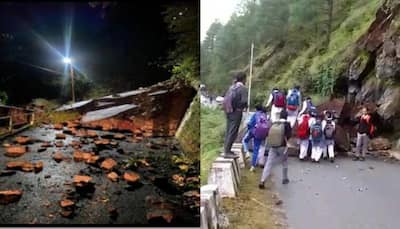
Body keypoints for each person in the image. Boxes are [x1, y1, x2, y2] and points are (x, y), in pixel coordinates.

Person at [259, 110, 291, 189]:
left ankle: (263, 180)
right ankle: (285, 178)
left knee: (269, 163)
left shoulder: (275, 123)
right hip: (282, 146)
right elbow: (289, 135)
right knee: (284, 162)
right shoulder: (287, 124)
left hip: (273, 146)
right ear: (287, 116)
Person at [222, 72, 248, 158]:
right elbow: (244, 101)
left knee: (229, 130)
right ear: (244, 79)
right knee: (233, 131)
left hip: (228, 111)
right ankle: (227, 152)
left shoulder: (232, 87)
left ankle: (226, 149)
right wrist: (243, 107)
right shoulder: (242, 88)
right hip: (236, 112)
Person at [242, 105, 270, 172]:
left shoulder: (256, 114)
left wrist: (249, 129)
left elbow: (250, 124)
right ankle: (253, 166)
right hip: (261, 134)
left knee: (244, 140)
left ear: (256, 109)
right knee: (256, 149)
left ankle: (246, 152)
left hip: (253, 132)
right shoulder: (265, 115)